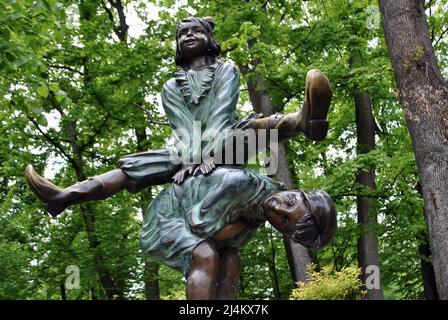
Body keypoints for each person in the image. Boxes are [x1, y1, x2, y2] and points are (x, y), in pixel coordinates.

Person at [24, 16, 332, 217]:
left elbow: (221, 112)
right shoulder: (170, 86)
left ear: (210, 40)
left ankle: (305, 121)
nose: (189, 35)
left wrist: (206, 152)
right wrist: (194, 157)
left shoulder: (226, 70)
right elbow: (183, 127)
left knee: (254, 126)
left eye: (196, 30)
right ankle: (65, 196)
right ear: (177, 45)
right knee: (136, 165)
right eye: (182, 33)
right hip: (187, 149)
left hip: (226, 135)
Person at [140, 165, 336, 299]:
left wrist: (244, 224)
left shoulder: (261, 211)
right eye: (291, 201)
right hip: (166, 218)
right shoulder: (241, 183)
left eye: (284, 222)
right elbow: (199, 225)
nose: (278, 208)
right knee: (205, 255)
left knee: (232, 260)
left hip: (196, 226)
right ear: (297, 191)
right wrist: (243, 222)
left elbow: (231, 244)